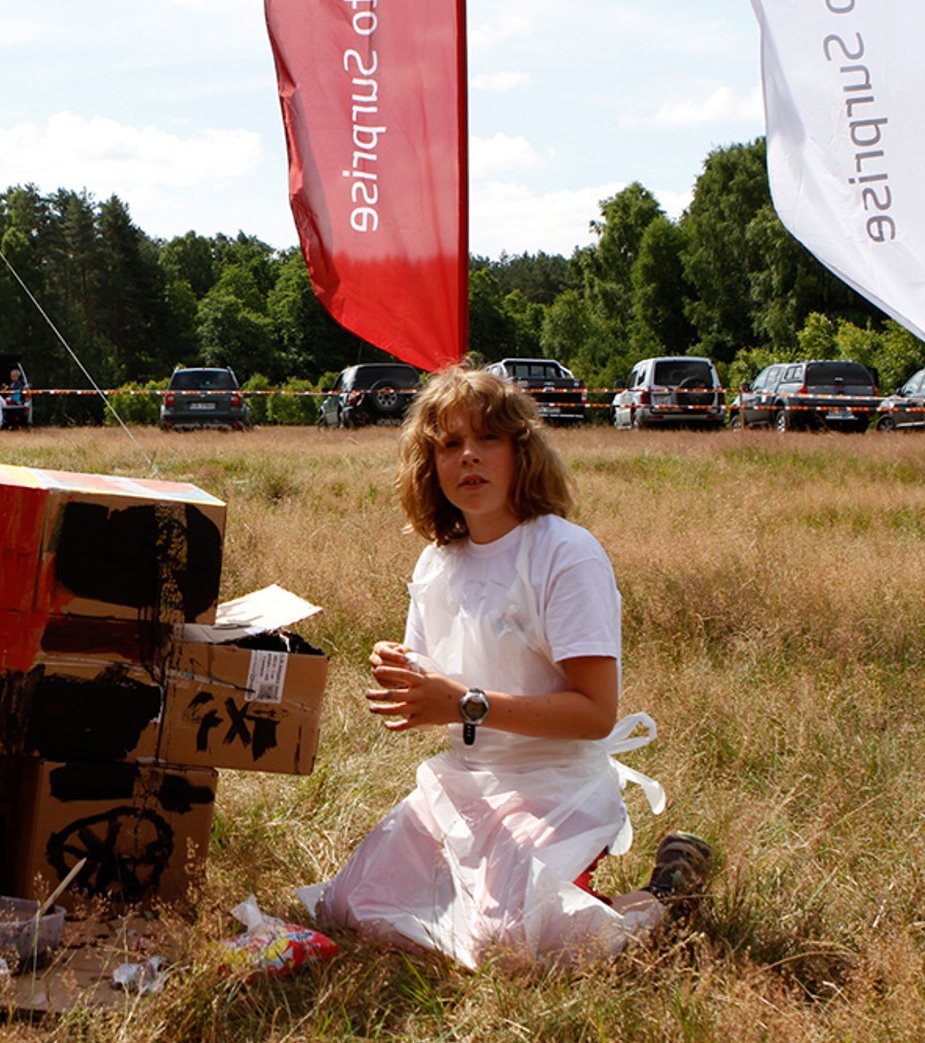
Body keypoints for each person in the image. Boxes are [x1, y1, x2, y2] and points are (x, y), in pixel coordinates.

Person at [300, 366, 711, 968]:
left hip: (555, 787)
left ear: (522, 452)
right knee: (353, 906)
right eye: (449, 444)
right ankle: (561, 902)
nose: (469, 456)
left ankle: (662, 897)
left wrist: (466, 703)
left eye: (487, 438)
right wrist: (403, 674)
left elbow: (596, 713)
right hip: (468, 784)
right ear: (430, 466)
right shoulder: (436, 563)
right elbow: (432, 687)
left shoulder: (566, 554)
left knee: (505, 943)